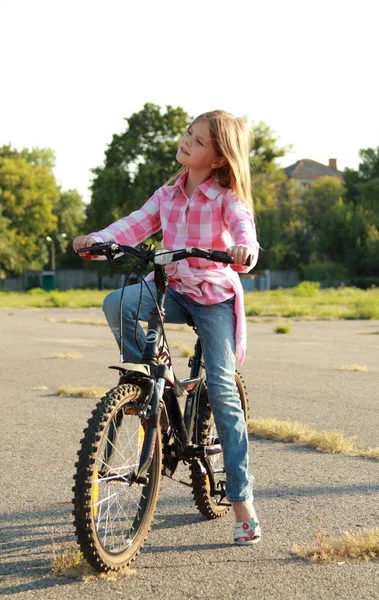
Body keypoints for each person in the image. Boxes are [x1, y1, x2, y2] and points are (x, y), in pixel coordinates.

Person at [73, 109, 261, 545]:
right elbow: (135, 224)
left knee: (223, 391)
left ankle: (242, 503)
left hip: (213, 297)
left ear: (217, 158)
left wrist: (243, 250)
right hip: (172, 288)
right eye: (187, 135)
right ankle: (155, 382)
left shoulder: (226, 199)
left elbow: (244, 229)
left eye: (197, 141)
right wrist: (98, 241)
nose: (186, 142)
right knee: (116, 303)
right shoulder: (168, 194)